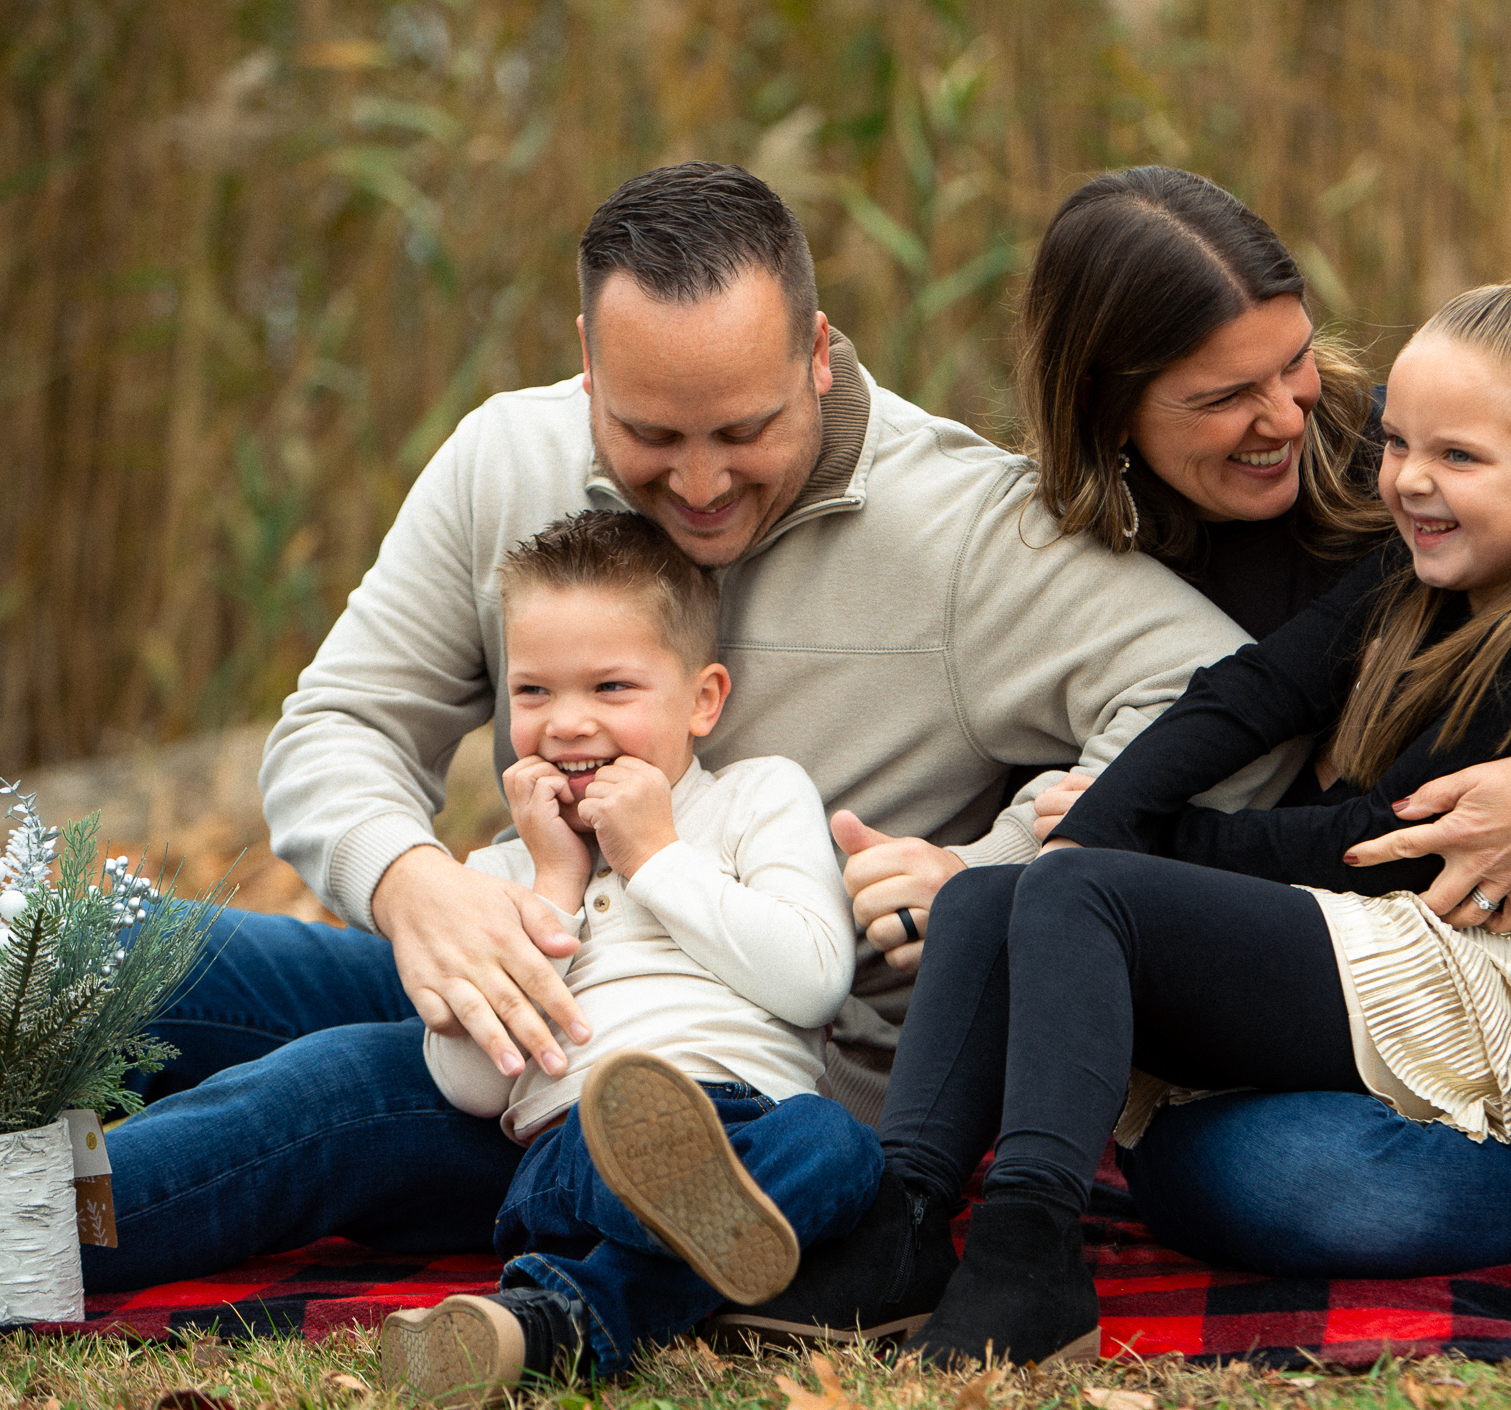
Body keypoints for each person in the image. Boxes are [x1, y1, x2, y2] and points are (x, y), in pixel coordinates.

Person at [721, 170, 1511, 1359]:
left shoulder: (1391, 471)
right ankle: (915, 1235)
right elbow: (1203, 731)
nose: (1290, 416)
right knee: (1293, 1182)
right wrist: (1025, 849)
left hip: (1442, 943)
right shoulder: (1056, 561)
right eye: (1227, 397)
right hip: (1238, 986)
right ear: (1113, 402)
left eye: (1293, 366)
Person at [88, 161, 1340, 1290]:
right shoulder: (500, 462)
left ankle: (26, 1236)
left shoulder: (965, 534)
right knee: (92, 947)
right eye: (648, 435)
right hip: (528, 994)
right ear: (588, 357)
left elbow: (1224, 700)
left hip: (742, 1097)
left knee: (327, 1096)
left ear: (814, 350)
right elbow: (340, 725)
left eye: (743, 431)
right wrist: (414, 886)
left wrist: (987, 879)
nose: (697, 484)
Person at [377, 510, 878, 1401]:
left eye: (611, 688)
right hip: (575, 1144)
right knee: (671, 1160)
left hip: (756, 1130)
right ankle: (670, 1220)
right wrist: (553, 884)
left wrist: (655, 856)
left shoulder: (758, 797)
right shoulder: (496, 870)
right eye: (533, 693)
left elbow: (812, 981)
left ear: (703, 700)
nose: (567, 724)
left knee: (840, 1145)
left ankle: (550, 1328)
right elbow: (472, 1086)